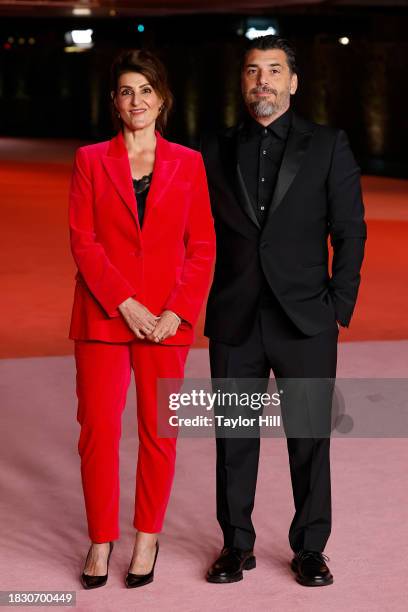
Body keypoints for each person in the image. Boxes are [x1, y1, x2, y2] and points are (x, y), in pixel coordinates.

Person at [201, 35, 366, 586]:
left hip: (306, 319)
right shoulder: (213, 150)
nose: (262, 81)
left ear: (293, 82)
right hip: (234, 318)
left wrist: (338, 305)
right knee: (233, 436)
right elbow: (194, 234)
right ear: (242, 82)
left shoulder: (328, 144)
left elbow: (349, 229)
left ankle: (311, 548)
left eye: (273, 70)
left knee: (310, 438)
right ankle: (235, 545)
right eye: (252, 71)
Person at [68, 49, 216, 589]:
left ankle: (147, 535)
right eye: (127, 91)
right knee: (98, 432)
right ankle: (101, 538)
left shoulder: (190, 163)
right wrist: (124, 302)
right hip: (105, 317)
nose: (137, 101)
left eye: (146, 91)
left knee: (160, 433)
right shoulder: (90, 160)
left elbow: (202, 246)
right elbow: (82, 241)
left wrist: (174, 311)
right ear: (115, 101)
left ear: (162, 99)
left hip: (165, 323)